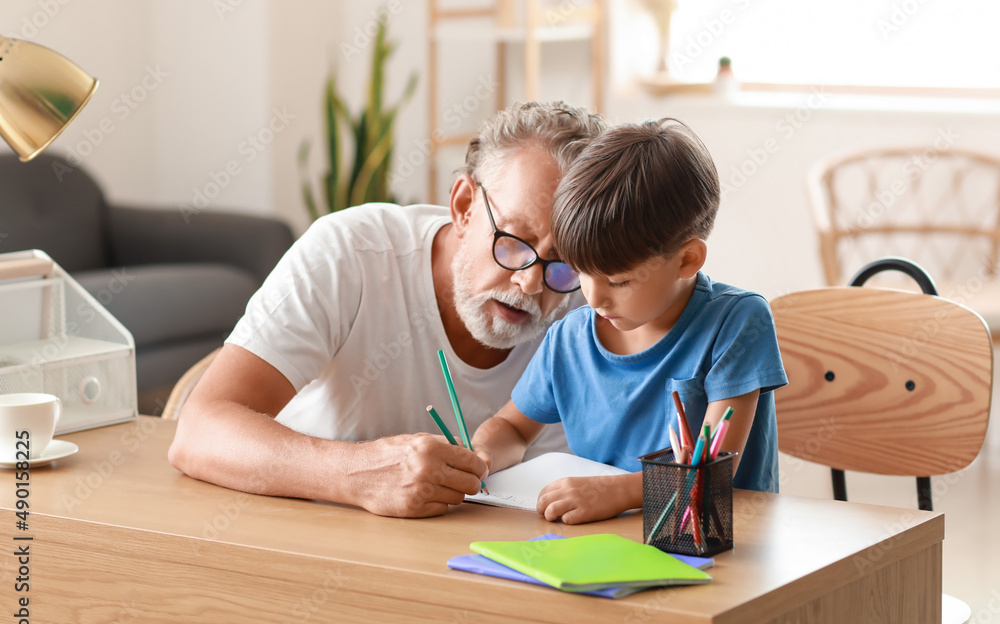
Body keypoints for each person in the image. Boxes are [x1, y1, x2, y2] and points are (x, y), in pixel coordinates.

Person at [167, 101, 607, 518]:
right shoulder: (350, 254)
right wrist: (358, 473)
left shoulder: (601, 301)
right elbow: (199, 431)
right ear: (464, 207)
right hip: (316, 546)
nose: (530, 283)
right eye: (512, 241)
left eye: (565, 260)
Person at [470, 118, 788, 525]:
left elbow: (710, 471)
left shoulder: (737, 322)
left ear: (688, 259)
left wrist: (618, 493)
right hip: (599, 544)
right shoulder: (570, 337)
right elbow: (512, 429)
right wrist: (481, 456)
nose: (594, 297)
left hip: (716, 546)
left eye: (618, 281)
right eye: (581, 272)